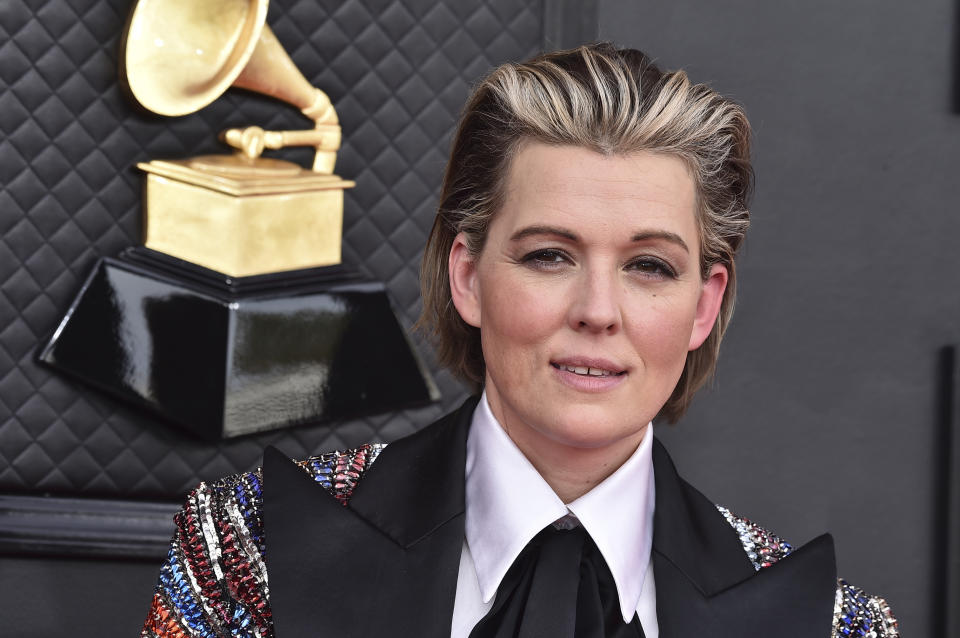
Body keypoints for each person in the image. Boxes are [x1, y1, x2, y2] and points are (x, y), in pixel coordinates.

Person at [140, 44, 898, 637]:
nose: (599, 310)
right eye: (549, 256)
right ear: (467, 275)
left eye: (649, 266)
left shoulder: (833, 627)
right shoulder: (246, 548)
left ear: (705, 304)